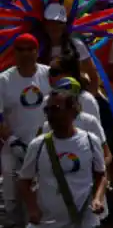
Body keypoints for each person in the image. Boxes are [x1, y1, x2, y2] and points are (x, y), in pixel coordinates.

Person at [18, 87, 107, 228]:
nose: (50, 115)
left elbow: (101, 175)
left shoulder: (91, 140)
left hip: (84, 222)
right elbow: (24, 181)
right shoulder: (37, 145)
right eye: (47, 110)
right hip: (48, 223)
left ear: (73, 110)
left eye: (56, 109)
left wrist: (97, 199)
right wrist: (32, 209)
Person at [0, 32, 51, 224]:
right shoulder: (3, 80)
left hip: (45, 148)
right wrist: (12, 141)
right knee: (12, 198)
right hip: (14, 149)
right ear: (14, 53)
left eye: (30, 49)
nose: (26, 54)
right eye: (21, 49)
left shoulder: (48, 74)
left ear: (37, 51)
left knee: (42, 198)